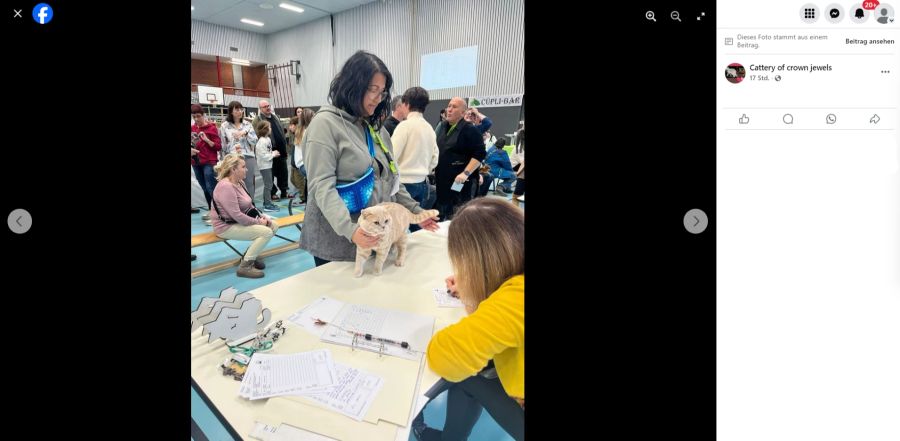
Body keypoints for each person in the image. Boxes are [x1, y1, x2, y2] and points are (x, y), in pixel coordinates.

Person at [298, 50, 438, 267]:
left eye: (382, 92)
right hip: (337, 241)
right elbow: (321, 186)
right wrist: (351, 230)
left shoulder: (375, 130)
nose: (377, 97)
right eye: (372, 89)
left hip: (376, 235)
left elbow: (391, 180)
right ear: (352, 85)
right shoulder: (324, 124)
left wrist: (416, 212)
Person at [412, 198, 525, 441]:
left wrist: (474, 295)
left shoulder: (516, 297)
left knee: (468, 373)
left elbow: (446, 355)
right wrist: (477, 285)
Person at [209, 153, 279, 278]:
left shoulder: (240, 182)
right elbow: (236, 215)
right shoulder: (226, 187)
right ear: (233, 169)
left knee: (274, 225)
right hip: (225, 226)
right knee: (266, 232)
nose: (246, 169)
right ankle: (244, 267)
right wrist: (258, 222)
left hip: (236, 221)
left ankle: (248, 256)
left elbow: (250, 206)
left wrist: (262, 216)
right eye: (243, 167)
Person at [434, 97, 486, 220]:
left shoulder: (470, 130)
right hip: (442, 181)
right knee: (442, 211)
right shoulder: (442, 126)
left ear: (463, 113)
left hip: (460, 182)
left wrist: (465, 173)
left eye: (454, 107)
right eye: (449, 106)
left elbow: (480, 154)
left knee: (459, 213)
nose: (449, 109)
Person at [392, 86, 439, 217]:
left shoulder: (404, 126)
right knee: (418, 223)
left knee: (400, 225)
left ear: (406, 104)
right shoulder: (429, 128)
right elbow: (435, 158)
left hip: (404, 185)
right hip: (422, 183)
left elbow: (391, 156)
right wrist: (425, 170)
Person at [219, 101, 259, 200]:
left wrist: (244, 133)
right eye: (237, 109)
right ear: (231, 112)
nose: (240, 111)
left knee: (249, 181)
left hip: (248, 155)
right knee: (234, 182)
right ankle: (238, 205)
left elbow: (254, 141)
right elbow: (223, 144)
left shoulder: (248, 125)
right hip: (233, 157)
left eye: (241, 109)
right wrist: (224, 160)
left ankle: (251, 204)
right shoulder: (224, 126)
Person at [191, 104, 222, 220]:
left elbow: (218, 146)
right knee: (204, 187)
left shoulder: (212, 128)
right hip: (195, 162)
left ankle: (218, 211)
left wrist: (207, 140)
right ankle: (211, 210)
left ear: (203, 115)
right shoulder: (192, 129)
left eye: (198, 116)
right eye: (194, 117)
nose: (196, 119)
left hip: (209, 162)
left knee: (211, 187)